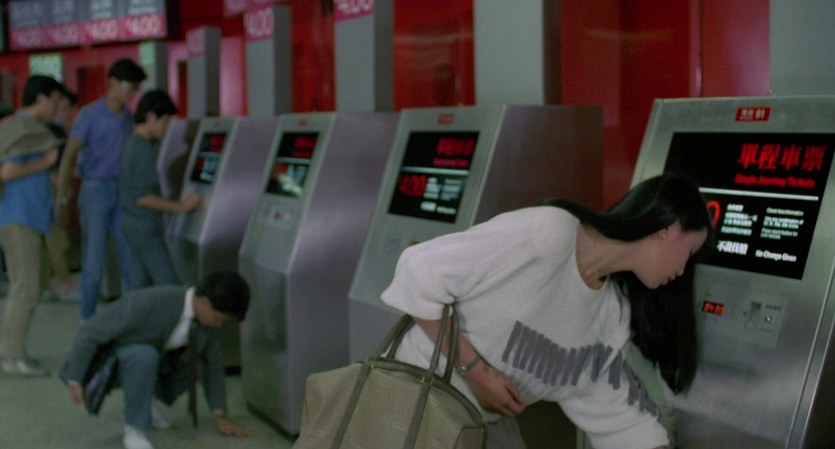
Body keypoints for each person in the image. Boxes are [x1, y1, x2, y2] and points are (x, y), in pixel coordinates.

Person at [380, 174, 714, 449]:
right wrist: (474, 370)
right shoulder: (552, 232)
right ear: (668, 227)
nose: (683, 271)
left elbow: (615, 413)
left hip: (471, 425)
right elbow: (419, 269)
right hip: (410, 400)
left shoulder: (611, 316)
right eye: (690, 252)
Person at [61, 270, 252, 449]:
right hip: (116, 359)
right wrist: (74, 379)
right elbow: (90, 332)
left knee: (198, 356)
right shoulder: (149, 301)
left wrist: (220, 416)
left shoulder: (205, 323)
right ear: (203, 302)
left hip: (156, 361)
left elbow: (213, 366)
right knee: (144, 355)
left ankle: (145, 401)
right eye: (218, 318)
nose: (218, 325)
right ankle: (135, 429)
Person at [56, 58, 147, 320]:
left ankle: (132, 318)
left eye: (136, 89)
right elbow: (69, 156)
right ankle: (87, 319)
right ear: (113, 83)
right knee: (94, 260)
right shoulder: (89, 114)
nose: (132, 94)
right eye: (130, 87)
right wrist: (63, 197)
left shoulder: (129, 118)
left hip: (123, 191)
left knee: (130, 257)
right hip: (96, 190)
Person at [0, 75, 66, 376]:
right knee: (24, 290)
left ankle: (13, 353)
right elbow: (7, 171)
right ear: (41, 99)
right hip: (19, 218)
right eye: (55, 101)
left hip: (26, 218)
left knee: (28, 287)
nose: (57, 108)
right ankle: (11, 358)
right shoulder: (22, 129)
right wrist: (46, 161)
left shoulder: (25, 128)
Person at [119, 90, 201, 290]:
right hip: (145, 229)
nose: (166, 128)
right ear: (150, 118)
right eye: (164, 121)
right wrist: (183, 206)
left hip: (132, 224)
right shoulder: (143, 150)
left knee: (140, 286)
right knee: (171, 286)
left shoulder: (132, 143)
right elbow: (144, 198)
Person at [44, 88, 79, 301]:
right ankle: (65, 284)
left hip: (55, 190)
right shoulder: (51, 131)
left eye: (69, 108)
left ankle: (48, 285)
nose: (66, 112)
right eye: (63, 107)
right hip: (51, 193)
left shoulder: (63, 130)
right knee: (57, 238)